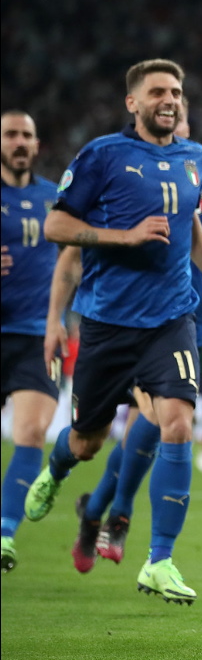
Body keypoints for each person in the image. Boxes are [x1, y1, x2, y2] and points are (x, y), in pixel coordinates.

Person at [25, 59, 202, 606]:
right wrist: (124, 236)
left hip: (170, 322)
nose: (170, 99)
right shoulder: (102, 155)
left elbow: (188, 227)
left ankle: (159, 560)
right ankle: (58, 468)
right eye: (158, 91)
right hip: (107, 326)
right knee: (87, 443)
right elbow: (56, 226)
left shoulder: (195, 158)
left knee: (179, 423)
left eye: (177, 91)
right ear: (132, 103)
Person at [65, 101, 202, 573]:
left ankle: (105, 516)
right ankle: (108, 514)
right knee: (133, 430)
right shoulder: (133, 178)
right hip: (132, 322)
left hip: (185, 326)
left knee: (155, 427)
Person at [0, 111, 59, 573]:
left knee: (33, 433)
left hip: (36, 334)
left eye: (26, 135)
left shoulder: (55, 198)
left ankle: (3, 535)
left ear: (36, 144)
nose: (18, 142)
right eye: (10, 135)